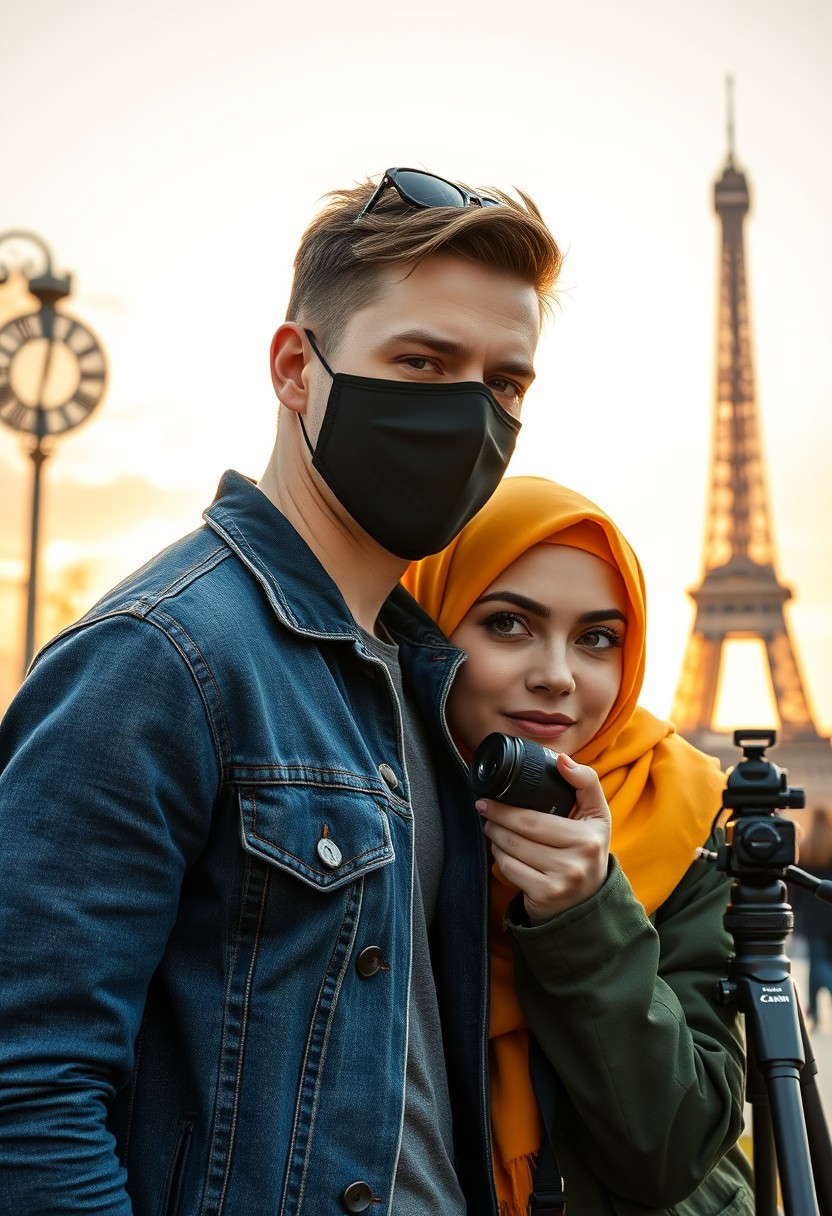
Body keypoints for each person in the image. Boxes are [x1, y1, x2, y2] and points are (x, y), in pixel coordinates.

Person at [0, 169, 562, 1214]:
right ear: (296, 369)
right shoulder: (154, 657)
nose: (471, 414)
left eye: (506, 383)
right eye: (423, 361)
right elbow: (26, 1094)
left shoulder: (426, 684)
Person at [403, 475, 754, 1215]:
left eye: (598, 638)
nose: (557, 675)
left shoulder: (686, 826)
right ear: (430, 631)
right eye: (507, 624)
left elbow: (676, 1152)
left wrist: (588, 915)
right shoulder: (367, 812)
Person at [791, 808, 832, 1027]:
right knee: (823, 963)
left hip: (812, 915)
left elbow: (796, 884)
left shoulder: (806, 847)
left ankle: (815, 1011)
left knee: (816, 964)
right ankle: (815, 1012)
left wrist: (792, 907)